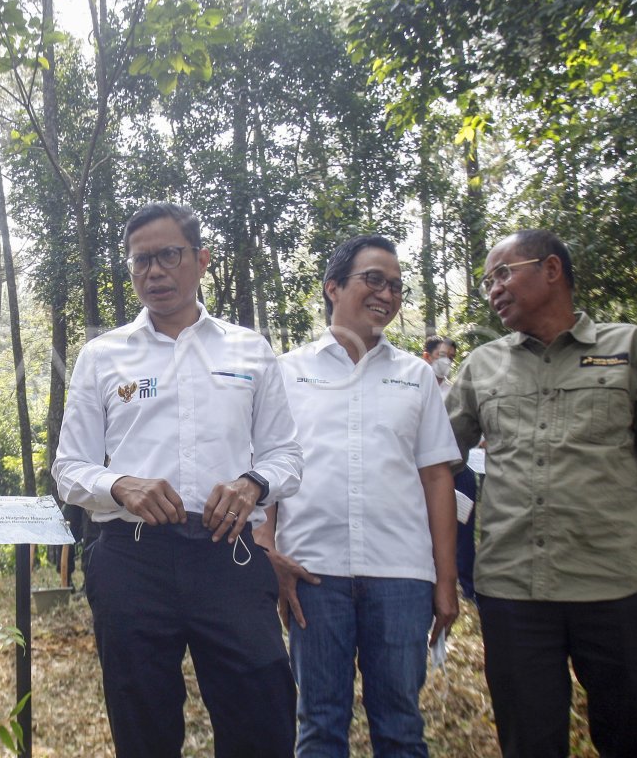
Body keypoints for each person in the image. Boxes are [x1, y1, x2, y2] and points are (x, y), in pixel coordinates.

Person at [445, 229, 637, 757]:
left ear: (551, 270)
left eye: (502, 272)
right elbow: (435, 460)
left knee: (634, 738)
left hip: (618, 587)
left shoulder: (631, 349)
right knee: (529, 742)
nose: (493, 289)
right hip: (514, 592)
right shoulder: (481, 367)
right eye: (486, 281)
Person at [52, 202, 304, 758]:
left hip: (229, 555)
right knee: (142, 723)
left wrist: (252, 484)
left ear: (201, 260)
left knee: (262, 716)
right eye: (141, 261)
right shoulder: (103, 355)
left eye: (169, 255)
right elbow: (68, 467)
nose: (154, 272)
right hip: (131, 557)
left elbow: (287, 454)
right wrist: (121, 487)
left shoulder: (250, 350)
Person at [255, 235, 459, 757]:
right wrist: (267, 552)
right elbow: (266, 471)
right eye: (373, 279)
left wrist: (446, 581)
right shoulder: (287, 372)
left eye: (395, 285)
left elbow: (437, 479)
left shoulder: (416, 376)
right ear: (332, 287)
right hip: (312, 575)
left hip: (402, 579)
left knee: (400, 725)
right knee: (320, 723)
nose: (386, 294)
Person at [422, 335, 480, 603]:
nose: (446, 362)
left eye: (451, 357)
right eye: (441, 356)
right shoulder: (413, 388)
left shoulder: (454, 393)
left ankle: (468, 587)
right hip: (423, 474)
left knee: (463, 533)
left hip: (458, 473)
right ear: (427, 356)